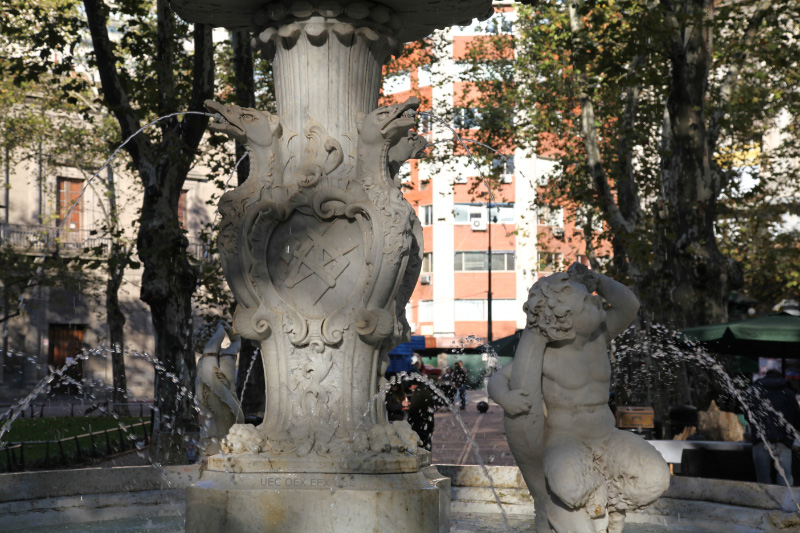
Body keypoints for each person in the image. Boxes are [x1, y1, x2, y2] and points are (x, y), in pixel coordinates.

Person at [489, 264, 669, 533]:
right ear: (565, 323)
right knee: (569, 486)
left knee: (656, 477)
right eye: (586, 302)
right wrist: (505, 397)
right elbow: (498, 378)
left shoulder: (600, 335)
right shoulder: (547, 355)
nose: (596, 299)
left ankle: (612, 504)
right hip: (566, 442)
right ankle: (593, 501)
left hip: (608, 437)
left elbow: (629, 304)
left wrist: (597, 280)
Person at [748, 369, 800, 485]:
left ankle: (764, 502)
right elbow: (797, 416)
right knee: (784, 479)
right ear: (780, 377)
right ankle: (785, 502)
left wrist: (756, 429)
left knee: (763, 481)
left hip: (761, 440)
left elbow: (748, 413)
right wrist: (791, 434)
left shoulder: (755, 391)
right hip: (783, 441)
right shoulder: (788, 393)